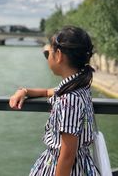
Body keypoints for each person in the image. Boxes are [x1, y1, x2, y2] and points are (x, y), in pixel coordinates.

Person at [9, 26, 100, 176]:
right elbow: (47, 91)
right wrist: (24, 91)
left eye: (48, 53)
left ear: (58, 55)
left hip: (62, 168)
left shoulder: (69, 99)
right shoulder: (77, 87)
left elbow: (67, 156)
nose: (48, 57)